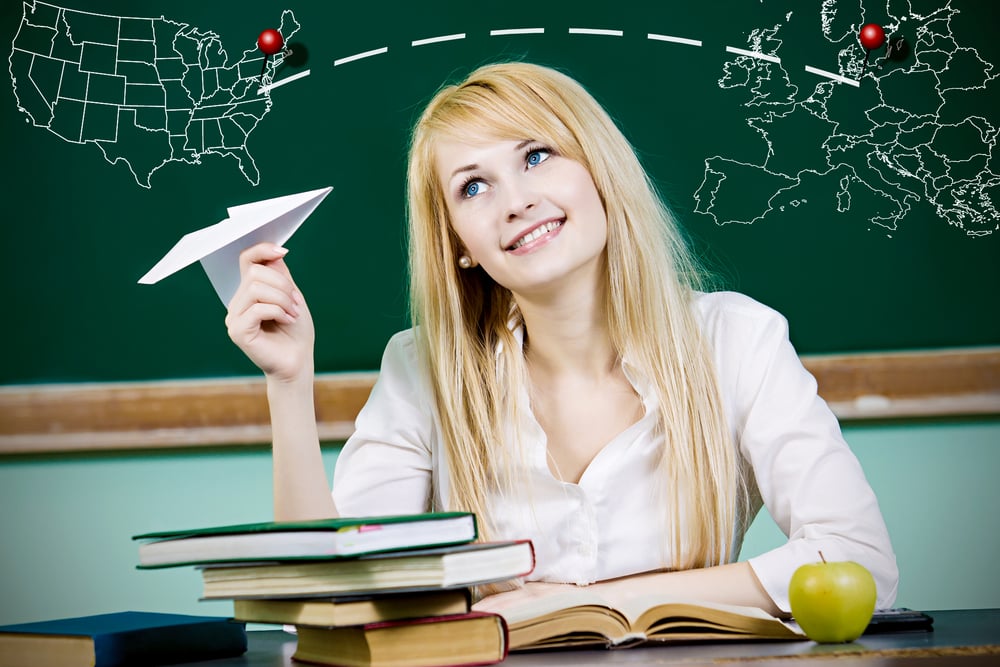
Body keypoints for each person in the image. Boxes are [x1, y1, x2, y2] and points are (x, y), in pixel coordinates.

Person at [224, 61, 898, 617]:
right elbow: (331, 596)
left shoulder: (738, 340)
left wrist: (593, 603)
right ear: (458, 245)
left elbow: (857, 559)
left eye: (537, 156)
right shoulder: (421, 369)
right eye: (474, 186)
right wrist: (289, 382)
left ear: (597, 168)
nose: (516, 200)